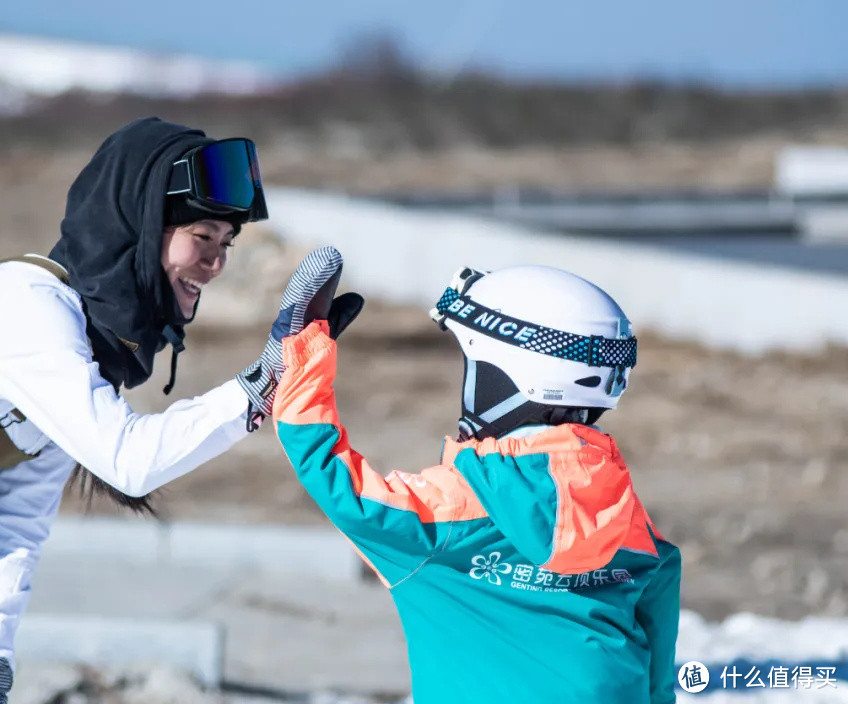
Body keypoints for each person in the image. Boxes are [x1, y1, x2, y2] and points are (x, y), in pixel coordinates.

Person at [0, 117, 348, 704]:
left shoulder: (75, 354)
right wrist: (262, 380)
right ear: (142, 227)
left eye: (226, 245)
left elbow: (16, 520)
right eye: (202, 237)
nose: (217, 263)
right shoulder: (33, 315)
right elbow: (129, 462)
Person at [271, 265, 681, 704]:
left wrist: (302, 352)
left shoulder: (449, 512)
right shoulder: (616, 508)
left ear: (506, 376)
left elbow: (333, 477)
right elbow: (659, 603)